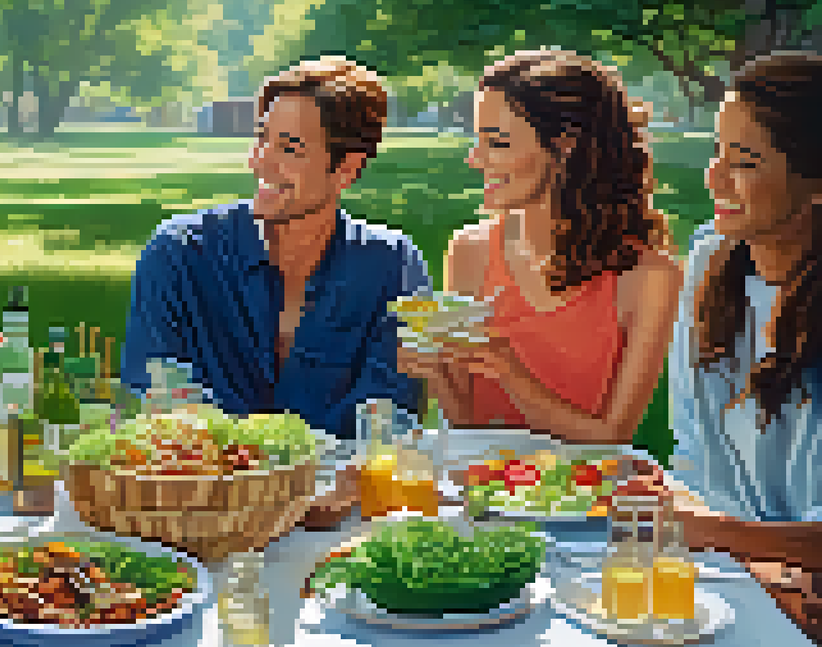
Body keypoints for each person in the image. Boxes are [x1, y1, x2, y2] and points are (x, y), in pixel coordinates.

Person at [121, 56, 430, 439]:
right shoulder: (177, 255)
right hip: (205, 475)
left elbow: (393, 412)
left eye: (289, 148)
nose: (259, 162)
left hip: (346, 478)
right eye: (261, 138)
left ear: (346, 170)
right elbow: (152, 397)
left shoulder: (393, 267)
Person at [400, 50, 682, 444]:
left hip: (583, 481)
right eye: (477, 140)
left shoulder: (649, 276)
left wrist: (512, 374)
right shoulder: (470, 250)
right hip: (483, 479)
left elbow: (612, 435)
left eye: (497, 143)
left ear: (565, 147)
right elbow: (465, 423)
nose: (475, 159)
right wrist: (435, 372)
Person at [660, 51, 822, 641]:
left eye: (745, 161)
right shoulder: (711, 261)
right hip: (738, 580)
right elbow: (694, 452)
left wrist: (717, 535)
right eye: (717, 152)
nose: (714, 179)